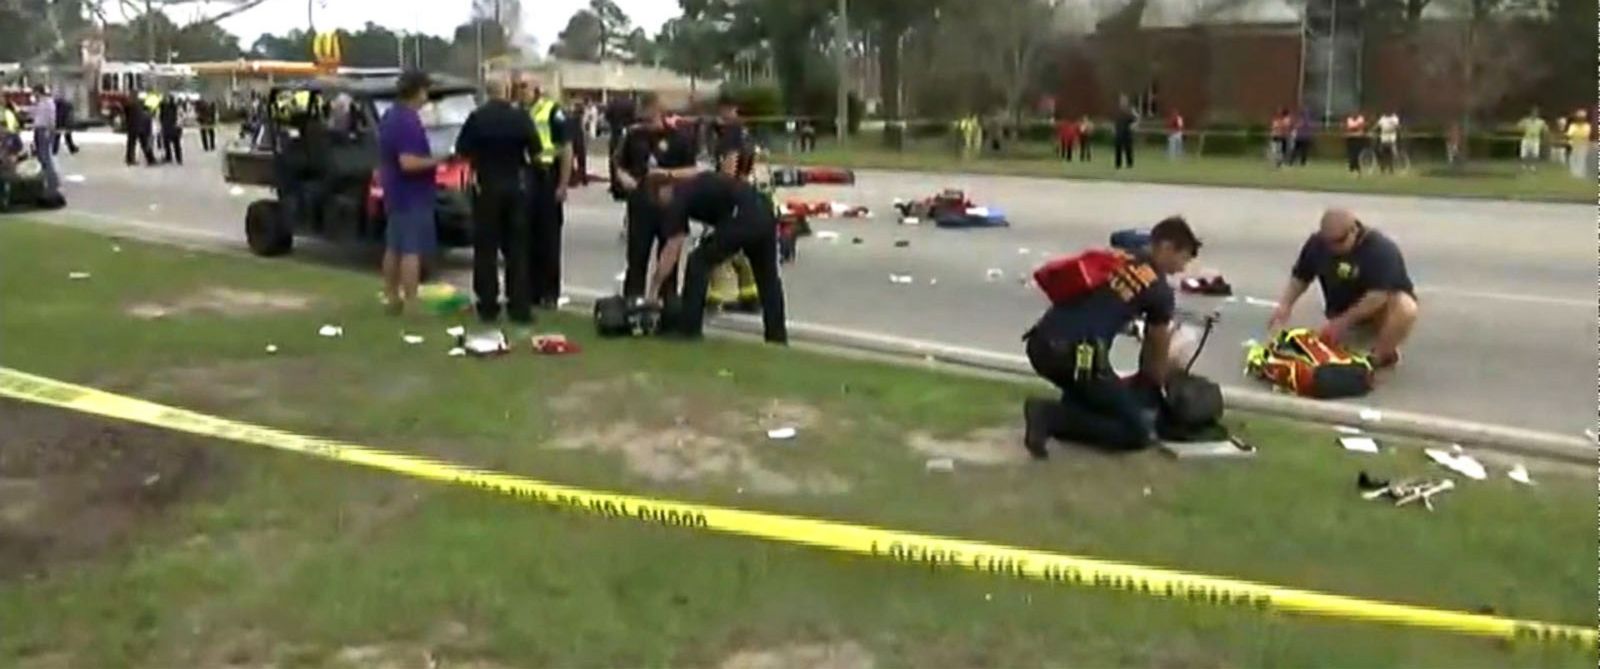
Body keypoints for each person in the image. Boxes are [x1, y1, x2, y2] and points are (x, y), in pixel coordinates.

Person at [1021, 217, 1202, 457]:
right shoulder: (1159, 290)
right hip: (1078, 358)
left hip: (1040, 345)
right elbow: (1156, 348)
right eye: (1183, 258)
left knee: (1100, 397)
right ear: (1167, 247)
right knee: (1136, 432)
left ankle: (1070, 410)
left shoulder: (1121, 258)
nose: (1182, 268)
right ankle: (1049, 416)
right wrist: (1155, 390)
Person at [646, 170, 788, 344]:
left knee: (698, 262)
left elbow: (673, 247)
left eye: (657, 200)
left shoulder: (677, 197)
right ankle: (777, 337)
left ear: (663, 189)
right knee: (768, 279)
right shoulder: (693, 185)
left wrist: (654, 285)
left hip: (741, 216)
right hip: (763, 211)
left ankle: (689, 329)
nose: (661, 206)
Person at [1268, 209, 1416, 370]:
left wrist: (1343, 321)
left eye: (1339, 241)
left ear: (1354, 230)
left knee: (1406, 307)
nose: (1333, 248)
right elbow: (1301, 276)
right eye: (1328, 242)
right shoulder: (1317, 244)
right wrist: (1285, 305)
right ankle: (1352, 340)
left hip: (1375, 314)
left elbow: (1378, 295)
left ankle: (1378, 357)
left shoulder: (1380, 250)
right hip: (1340, 313)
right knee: (1322, 358)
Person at [457, 73, 538, 326]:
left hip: (487, 185)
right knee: (516, 249)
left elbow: (463, 150)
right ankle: (519, 305)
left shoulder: (477, 118)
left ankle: (488, 304)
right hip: (514, 184)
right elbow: (535, 149)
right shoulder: (520, 117)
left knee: (486, 249)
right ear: (505, 91)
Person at [614, 92, 699, 299]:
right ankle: (633, 301)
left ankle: (666, 301)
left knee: (668, 255)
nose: (643, 115)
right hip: (640, 202)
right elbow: (618, 163)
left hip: (669, 204)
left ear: (658, 110)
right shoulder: (633, 136)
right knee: (637, 257)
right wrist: (624, 178)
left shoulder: (678, 137)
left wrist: (669, 176)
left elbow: (693, 170)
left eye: (648, 109)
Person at [377, 71, 442, 316]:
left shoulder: (390, 116)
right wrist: (439, 160)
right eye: (425, 91)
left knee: (394, 246)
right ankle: (411, 302)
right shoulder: (407, 121)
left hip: (394, 191)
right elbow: (409, 163)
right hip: (411, 193)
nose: (427, 96)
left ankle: (391, 297)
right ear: (417, 91)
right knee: (411, 250)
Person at [523, 74, 573, 309]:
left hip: (547, 176)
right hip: (527, 177)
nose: (520, 91)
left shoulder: (553, 111)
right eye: (518, 87)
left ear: (537, 89)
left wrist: (563, 184)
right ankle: (531, 291)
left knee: (549, 239)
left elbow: (566, 149)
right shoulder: (520, 112)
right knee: (527, 238)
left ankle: (550, 294)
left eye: (524, 86)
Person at [28, 87, 59, 196]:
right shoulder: (40, 103)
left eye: (34, 93)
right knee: (41, 156)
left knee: (46, 156)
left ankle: (52, 182)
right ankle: (46, 179)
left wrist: (50, 131)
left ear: (38, 92)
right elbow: (35, 115)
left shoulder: (48, 102)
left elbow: (51, 119)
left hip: (44, 130)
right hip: (39, 130)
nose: (33, 95)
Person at [122, 94, 156, 166]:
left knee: (131, 144)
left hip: (133, 127)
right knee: (144, 143)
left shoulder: (130, 106)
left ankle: (130, 159)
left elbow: (126, 115)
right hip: (140, 127)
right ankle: (150, 159)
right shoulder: (142, 108)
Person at [157, 92, 183, 165]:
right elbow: (180, 116)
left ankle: (170, 157)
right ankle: (177, 158)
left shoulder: (165, 107)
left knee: (169, 143)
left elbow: (160, 117)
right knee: (174, 144)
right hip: (170, 127)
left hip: (168, 127)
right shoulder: (174, 107)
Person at [567, 100, 588, 188]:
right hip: (578, 138)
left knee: (571, 160)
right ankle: (583, 178)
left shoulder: (570, 118)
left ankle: (572, 179)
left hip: (572, 138)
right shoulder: (578, 118)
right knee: (581, 160)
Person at [1564, 109, 1591, 178]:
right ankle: (1573, 173)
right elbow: (1569, 135)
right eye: (1579, 118)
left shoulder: (1587, 126)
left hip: (1583, 145)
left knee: (1581, 159)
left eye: (1582, 118)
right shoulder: (1573, 125)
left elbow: (1586, 135)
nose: (1580, 119)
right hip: (1574, 144)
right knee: (1573, 158)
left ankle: (1580, 173)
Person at [1112, 98, 1137, 169]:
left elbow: (1135, 120)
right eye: (1122, 102)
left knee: (1128, 149)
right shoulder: (1117, 113)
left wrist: (1133, 126)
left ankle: (1129, 164)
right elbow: (1115, 122)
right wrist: (1114, 129)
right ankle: (1118, 164)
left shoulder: (1129, 112)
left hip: (1127, 133)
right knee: (1118, 149)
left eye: (1124, 102)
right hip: (1119, 133)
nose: (1123, 103)